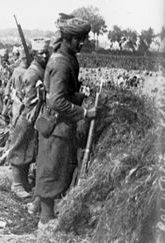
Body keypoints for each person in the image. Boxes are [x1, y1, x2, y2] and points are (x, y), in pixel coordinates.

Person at [35, 16, 97, 232]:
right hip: (56, 126)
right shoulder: (61, 62)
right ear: (68, 39)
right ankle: (45, 220)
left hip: (58, 124)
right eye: (78, 39)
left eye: (84, 39)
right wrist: (84, 112)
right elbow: (58, 101)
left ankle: (40, 209)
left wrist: (79, 96)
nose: (82, 43)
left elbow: (63, 93)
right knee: (51, 170)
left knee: (52, 167)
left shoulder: (66, 56)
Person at [7, 37, 51, 203]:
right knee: (20, 149)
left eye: (47, 53)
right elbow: (31, 101)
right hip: (28, 116)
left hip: (33, 115)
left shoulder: (40, 69)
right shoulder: (33, 73)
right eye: (41, 53)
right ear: (34, 54)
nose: (45, 56)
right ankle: (17, 184)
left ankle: (24, 183)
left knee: (27, 151)